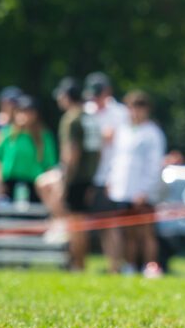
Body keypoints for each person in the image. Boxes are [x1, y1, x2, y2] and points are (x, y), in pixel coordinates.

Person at [107, 91, 166, 278]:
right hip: (123, 189)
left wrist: (145, 190)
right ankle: (130, 266)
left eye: (139, 108)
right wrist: (111, 181)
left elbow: (154, 165)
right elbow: (116, 159)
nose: (134, 112)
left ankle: (151, 266)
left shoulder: (152, 133)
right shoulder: (123, 131)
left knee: (146, 232)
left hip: (143, 191)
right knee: (128, 232)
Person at [52, 77, 102, 271]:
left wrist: (64, 181)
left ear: (66, 96)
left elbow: (71, 153)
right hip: (89, 177)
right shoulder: (90, 118)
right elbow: (98, 152)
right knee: (81, 223)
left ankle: (76, 264)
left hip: (75, 178)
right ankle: (80, 263)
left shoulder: (71, 119)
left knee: (74, 224)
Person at [84, 71, 130, 273]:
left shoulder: (120, 113)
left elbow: (122, 147)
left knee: (110, 224)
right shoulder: (87, 110)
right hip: (90, 176)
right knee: (94, 224)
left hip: (110, 176)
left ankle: (115, 266)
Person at [0, 95, 57, 203]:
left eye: (28, 112)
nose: (23, 115)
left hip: (35, 184)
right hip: (9, 183)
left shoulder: (44, 136)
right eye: (20, 111)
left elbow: (49, 164)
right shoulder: (7, 134)